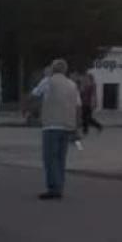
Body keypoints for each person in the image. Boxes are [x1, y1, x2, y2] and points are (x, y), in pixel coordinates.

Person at [32, 59, 81, 200]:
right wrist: (76, 127)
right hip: (67, 126)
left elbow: (34, 95)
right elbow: (78, 107)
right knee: (60, 158)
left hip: (51, 125)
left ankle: (53, 188)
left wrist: (31, 110)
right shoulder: (72, 85)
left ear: (53, 69)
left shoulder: (48, 81)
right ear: (65, 70)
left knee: (50, 158)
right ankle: (59, 186)